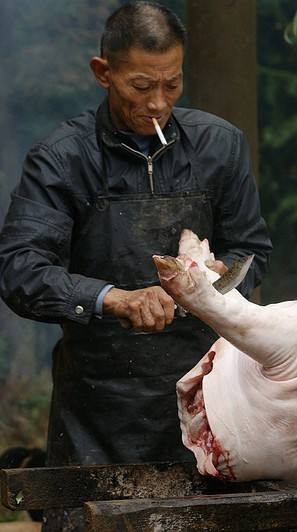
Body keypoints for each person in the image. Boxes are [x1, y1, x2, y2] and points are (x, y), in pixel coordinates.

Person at [0, 0, 272, 471]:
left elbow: (252, 251)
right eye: (141, 85)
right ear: (103, 73)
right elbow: (20, 270)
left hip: (208, 391)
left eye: (173, 83)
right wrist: (114, 299)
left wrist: (222, 277)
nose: (158, 104)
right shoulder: (63, 159)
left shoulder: (219, 145)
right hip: (99, 406)